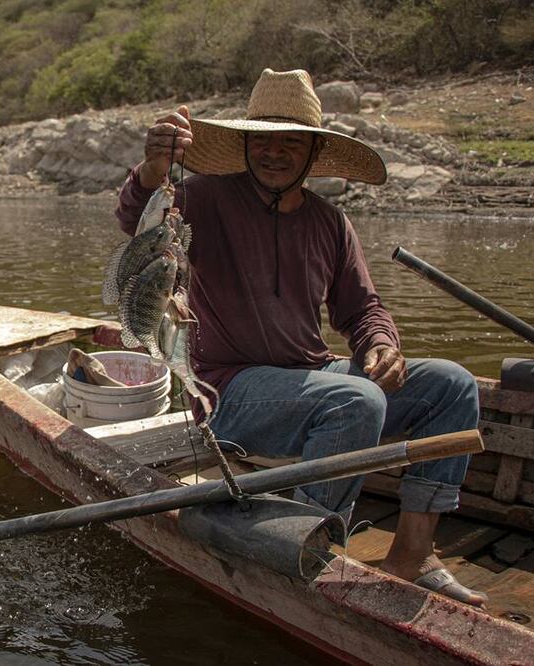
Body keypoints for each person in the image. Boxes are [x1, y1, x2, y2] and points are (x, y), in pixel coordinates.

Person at [115, 68, 487, 606]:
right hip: (228, 390)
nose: (274, 153)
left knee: (451, 385)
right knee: (354, 400)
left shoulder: (330, 223)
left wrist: (381, 344)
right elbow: (137, 223)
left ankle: (412, 555)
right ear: (245, 144)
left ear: (313, 153)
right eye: (263, 140)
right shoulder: (204, 199)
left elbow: (362, 309)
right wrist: (150, 171)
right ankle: (302, 546)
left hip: (310, 377)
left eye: (291, 142)